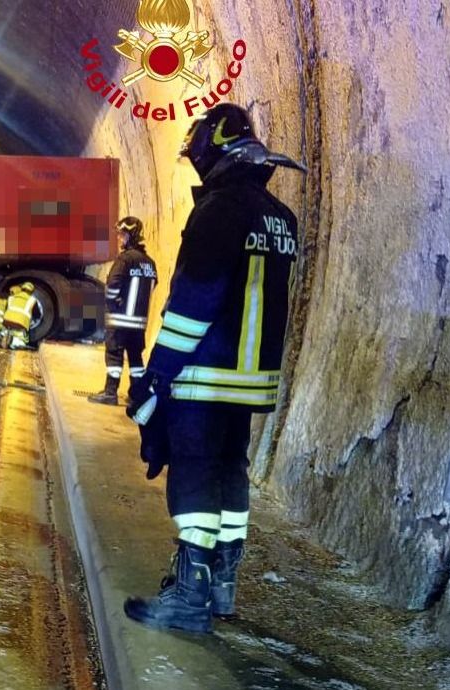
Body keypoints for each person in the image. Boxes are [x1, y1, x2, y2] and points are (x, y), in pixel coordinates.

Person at [123, 102, 306, 634]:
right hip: (251, 382)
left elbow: (193, 303)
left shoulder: (217, 212)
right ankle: (222, 585)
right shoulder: (281, 218)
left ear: (212, 150)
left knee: (195, 472)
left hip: (204, 375)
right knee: (230, 471)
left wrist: (157, 375)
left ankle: (189, 596)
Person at [88, 217, 157, 405]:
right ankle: (137, 395)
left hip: (120, 320)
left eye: (122, 235)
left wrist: (112, 304)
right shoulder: (150, 263)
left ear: (131, 236)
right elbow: (153, 286)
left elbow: (112, 286)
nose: (119, 238)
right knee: (135, 358)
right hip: (139, 323)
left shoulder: (125, 259)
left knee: (114, 354)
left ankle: (110, 392)